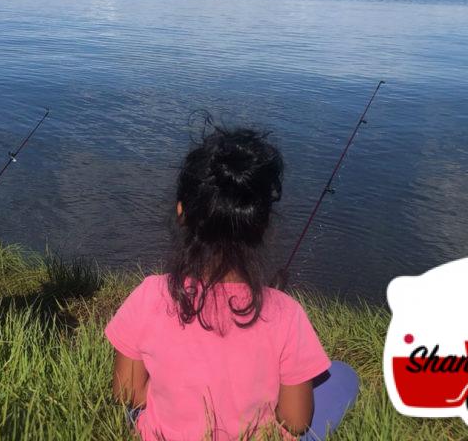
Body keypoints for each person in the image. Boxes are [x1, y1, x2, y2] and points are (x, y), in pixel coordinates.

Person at [105, 126, 359, 440]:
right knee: (343, 376)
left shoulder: (149, 295)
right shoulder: (286, 313)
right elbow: (295, 422)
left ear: (182, 211)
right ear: (262, 223)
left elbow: (127, 395)